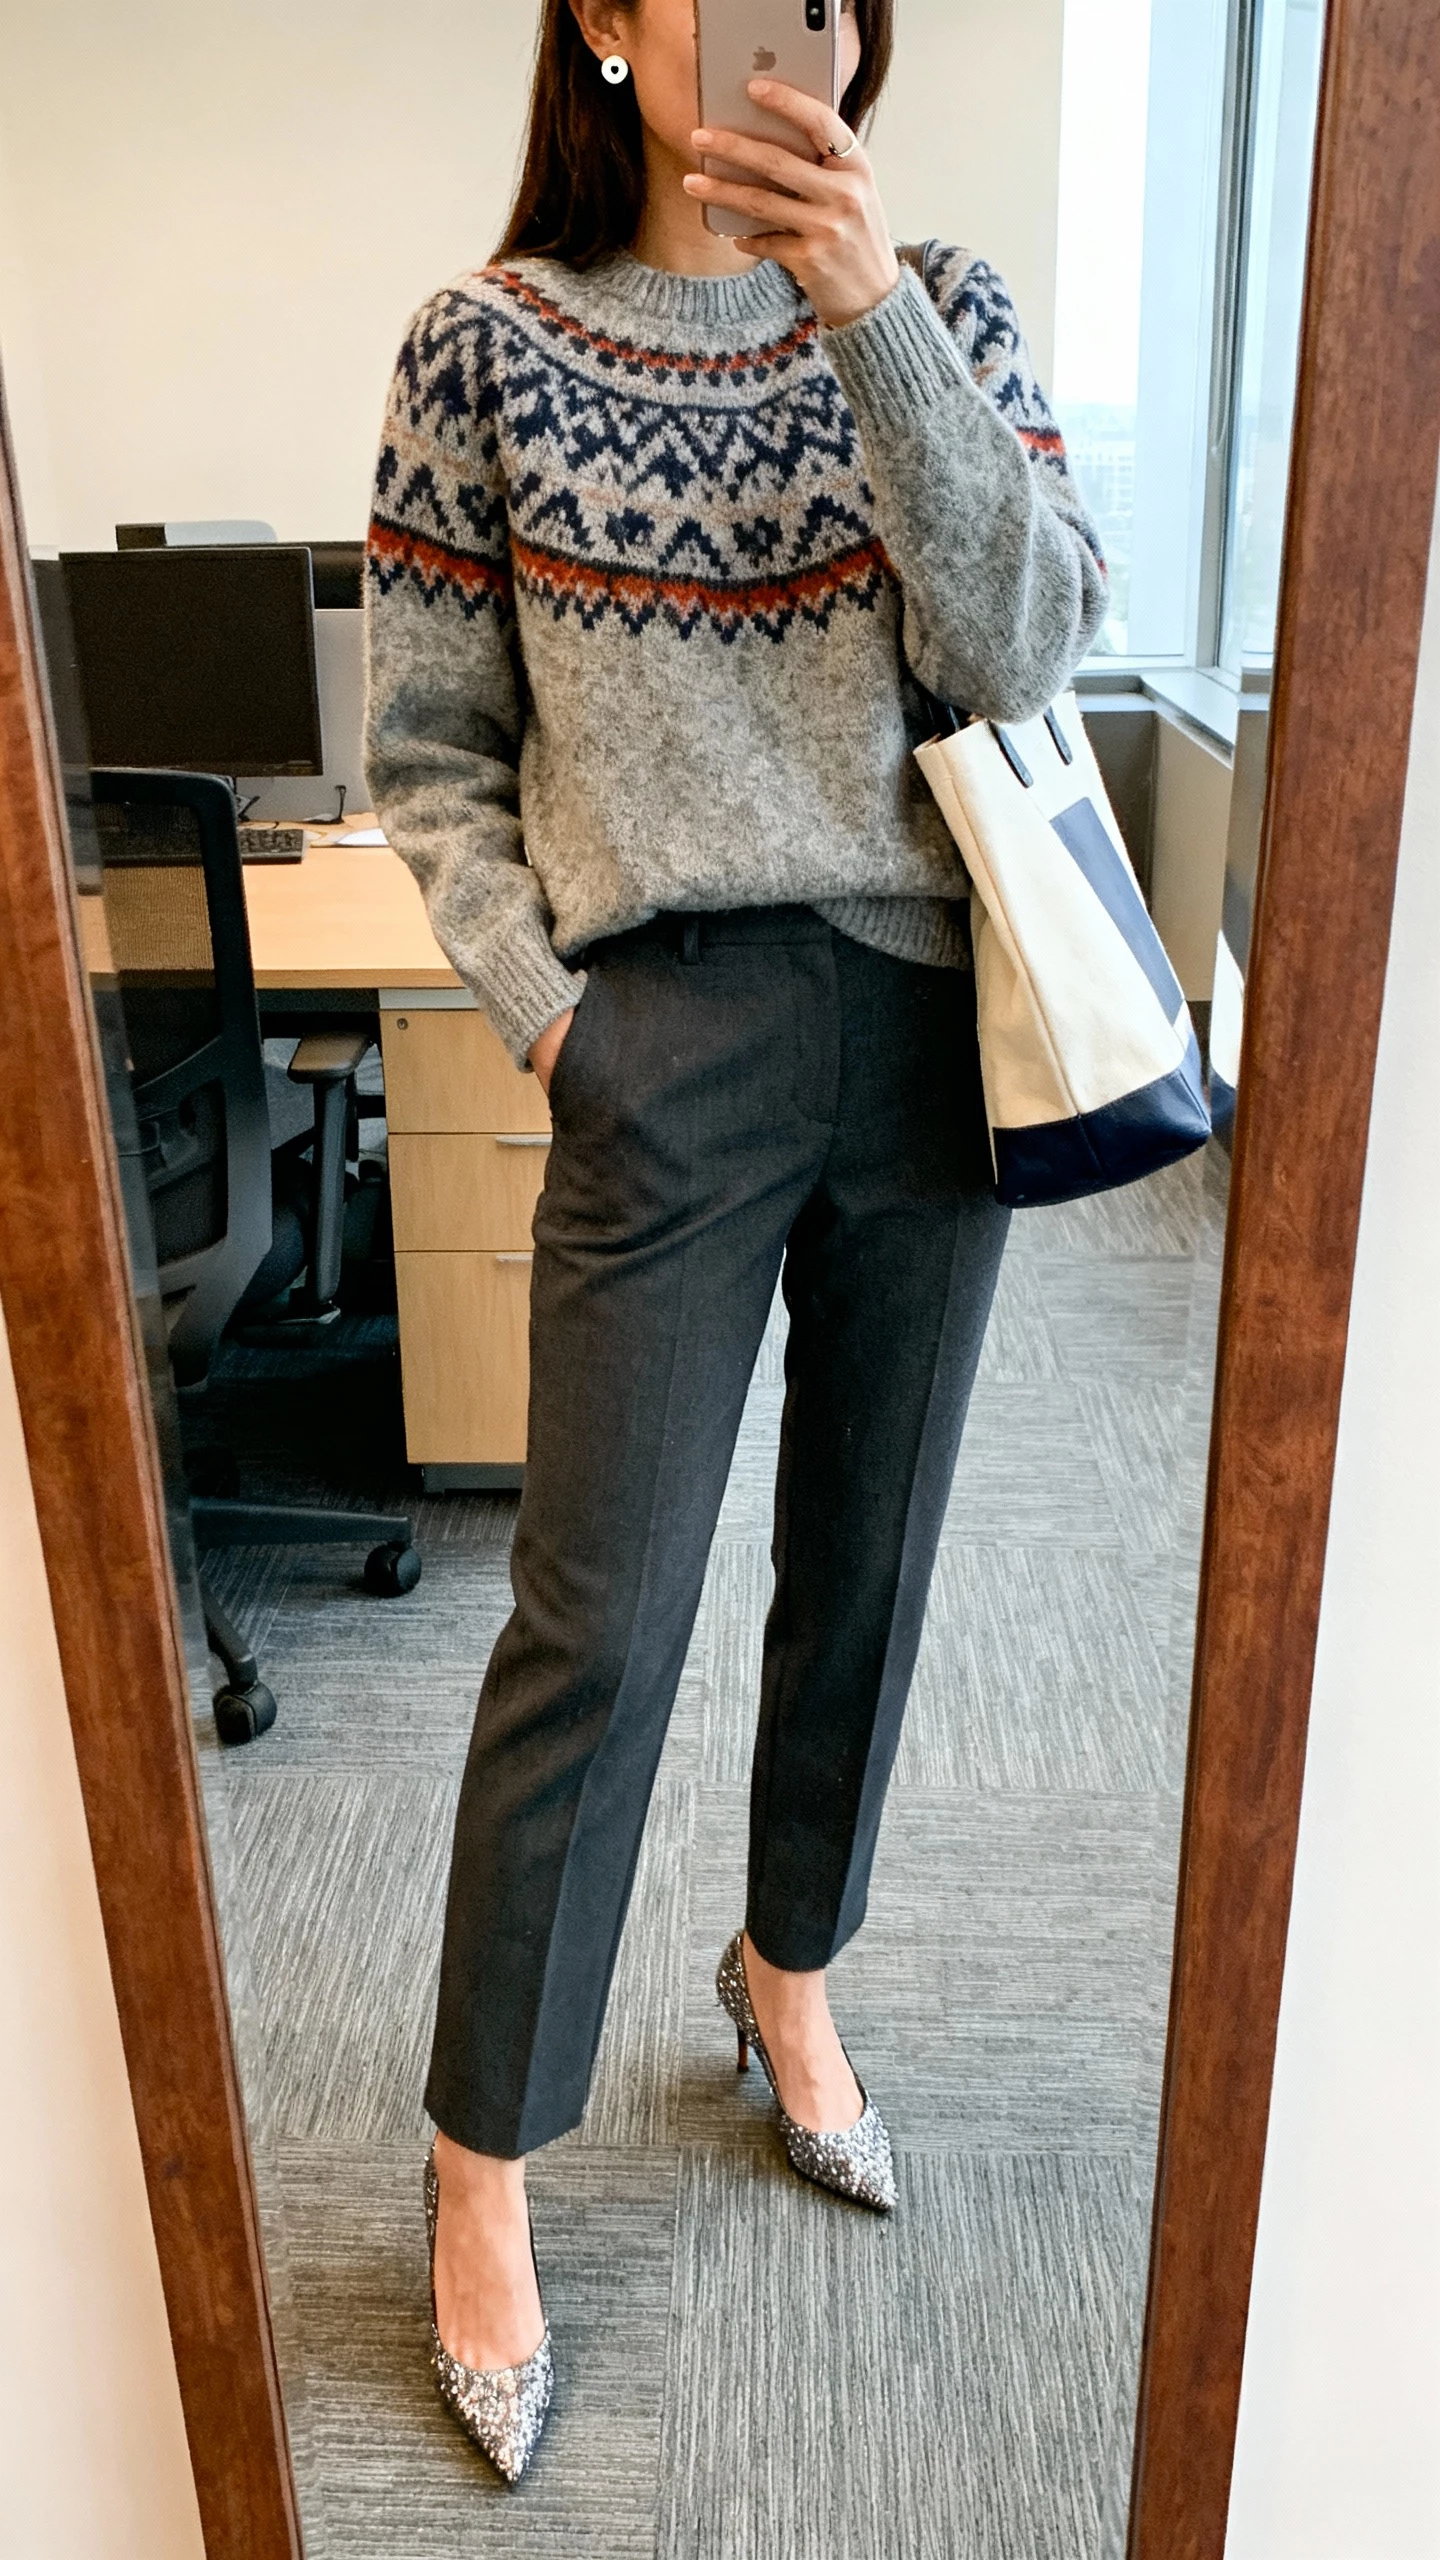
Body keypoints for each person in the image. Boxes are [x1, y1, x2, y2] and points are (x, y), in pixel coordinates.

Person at [365, 0, 1106, 2487]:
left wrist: (870, 314)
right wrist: (555, 1024)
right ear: (602, 14)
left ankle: (789, 1971)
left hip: (922, 1024)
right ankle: (485, 2165)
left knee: (866, 1570)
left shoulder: (950, 301)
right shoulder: (486, 345)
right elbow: (433, 755)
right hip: (657, 1038)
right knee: (598, 1620)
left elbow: (1026, 644)